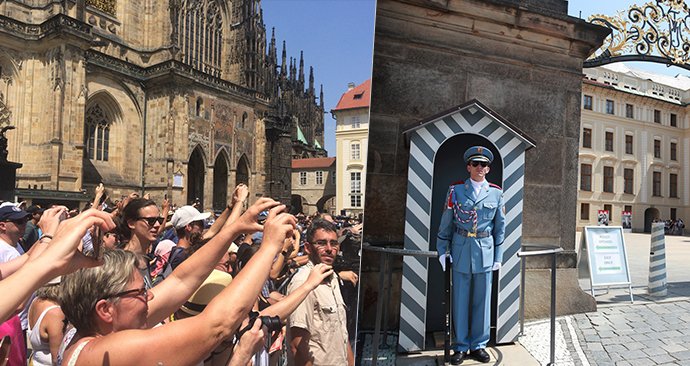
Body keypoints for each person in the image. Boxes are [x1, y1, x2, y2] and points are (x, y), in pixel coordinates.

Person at [57, 199, 293, 366]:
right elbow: (217, 326)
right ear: (106, 309)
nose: (149, 295)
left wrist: (234, 229)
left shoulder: (90, 330)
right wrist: (269, 247)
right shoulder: (109, 352)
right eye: (140, 292)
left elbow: (182, 280)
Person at [436, 146, 505, 364]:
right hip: (461, 249)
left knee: (482, 301)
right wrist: (442, 250)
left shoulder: (496, 193)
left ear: (488, 168)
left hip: (485, 250)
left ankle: (479, 345)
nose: (479, 168)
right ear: (468, 167)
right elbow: (446, 222)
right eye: (475, 164)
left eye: (483, 164)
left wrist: (498, 256)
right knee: (461, 300)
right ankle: (461, 346)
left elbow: (500, 228)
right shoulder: (455, 191)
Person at [288, 218, 354, 366]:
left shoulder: (332, 278)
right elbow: (297, 346)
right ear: (307, 248)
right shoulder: (303, 282)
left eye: (334, 243)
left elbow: (342, 334)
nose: (329, 249)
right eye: (321, 243)